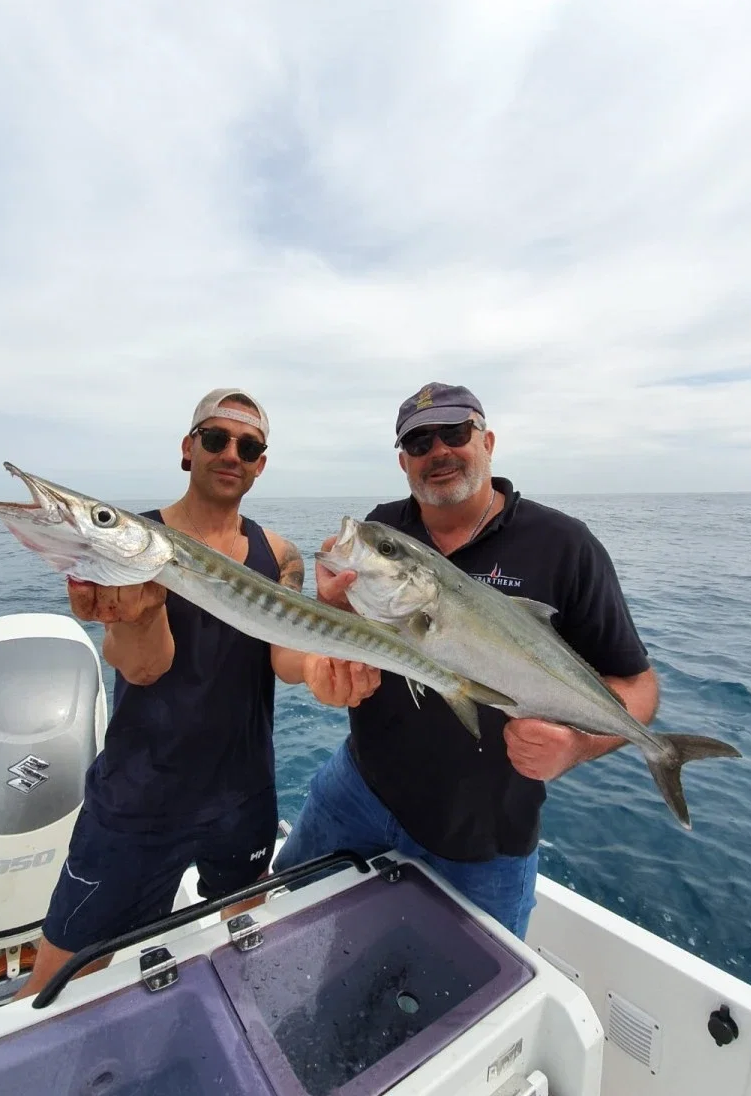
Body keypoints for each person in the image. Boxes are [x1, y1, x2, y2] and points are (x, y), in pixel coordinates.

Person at [18, 388, 379, 997]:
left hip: (243, 794)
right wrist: (137, 615)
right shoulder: (135, 539)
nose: (231, 453)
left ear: (261, 465)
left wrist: (321, 667)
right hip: (138, 797)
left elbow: (285, 652)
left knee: (250, 946)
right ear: (188, 449)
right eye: (216, 438)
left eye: (249, 447)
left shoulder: (279, 554)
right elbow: (143, 668)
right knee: (56, 983)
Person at [273, 381, 658, 940]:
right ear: (404, 461)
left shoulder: (564, 546)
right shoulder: (385, 526)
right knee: (281, 922)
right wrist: (332, 610)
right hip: (358, 791)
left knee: (472, 986)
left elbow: (638, 686)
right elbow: (345, 635)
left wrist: (578, 746)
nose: (439, 452)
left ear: (487, 442)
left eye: (454, 433)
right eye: (419, 442)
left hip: (485, 840)